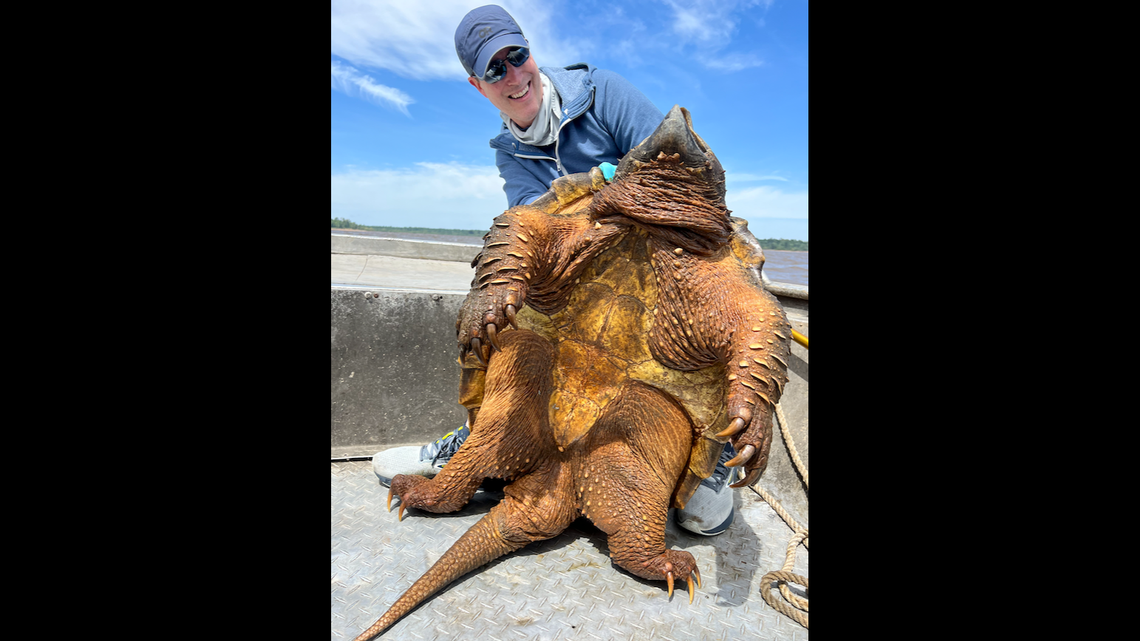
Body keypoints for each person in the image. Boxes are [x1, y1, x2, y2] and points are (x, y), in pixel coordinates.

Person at [372, 4, 740, 536]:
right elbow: (535, 221)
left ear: (531, 52)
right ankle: (484, 435)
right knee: (505, 299)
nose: (513, 76)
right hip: (583, 273)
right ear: (479, 87)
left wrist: (602, 186)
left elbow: (678, 167)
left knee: (732, 313)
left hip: (657, 256)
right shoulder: (509, 153)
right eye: (494, 70)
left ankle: (718, 452)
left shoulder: (603, 92)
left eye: (516, 56)